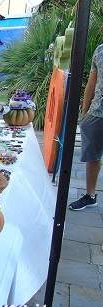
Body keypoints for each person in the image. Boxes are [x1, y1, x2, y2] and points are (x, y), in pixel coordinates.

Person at [69, 44, 103, 210]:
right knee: (92, 156)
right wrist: (84, 113)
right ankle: (90, 195)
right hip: (97, 113)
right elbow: (91, 83)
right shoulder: (99, 50)